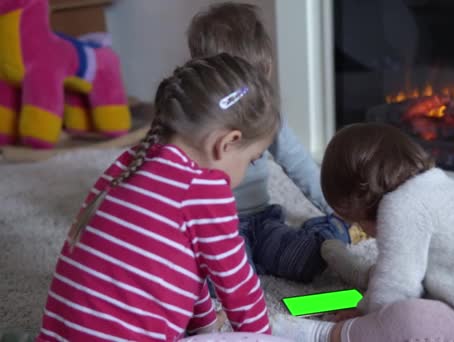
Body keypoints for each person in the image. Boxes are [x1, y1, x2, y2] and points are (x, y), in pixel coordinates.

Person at [37, 54, 279, 341]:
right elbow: (239, 289)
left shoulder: (129, 162)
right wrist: (263, 337)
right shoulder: (204, 188)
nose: (247, 169)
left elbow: (185, 268)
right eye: (251, 160)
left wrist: (204, 326)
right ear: (227, 143)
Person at [271, 123, 454, 341]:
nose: (361, 230)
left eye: (353, 220)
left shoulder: (402, 206)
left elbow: (393, 292)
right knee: (412, 282)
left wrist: (366, 314)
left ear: (361, 202)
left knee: (410, 317)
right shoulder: (433, 188)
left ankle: (322, 335)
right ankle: (355, 272)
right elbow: (410, 274)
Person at [187, 2, 352, 283]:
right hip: (218, 230)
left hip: (263, 220)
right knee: (230, 281)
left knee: (306, 260)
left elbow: (298, 162)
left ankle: (329, 230)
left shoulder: (267, 115)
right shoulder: (193, 122)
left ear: (267, 72)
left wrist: (334, 206)